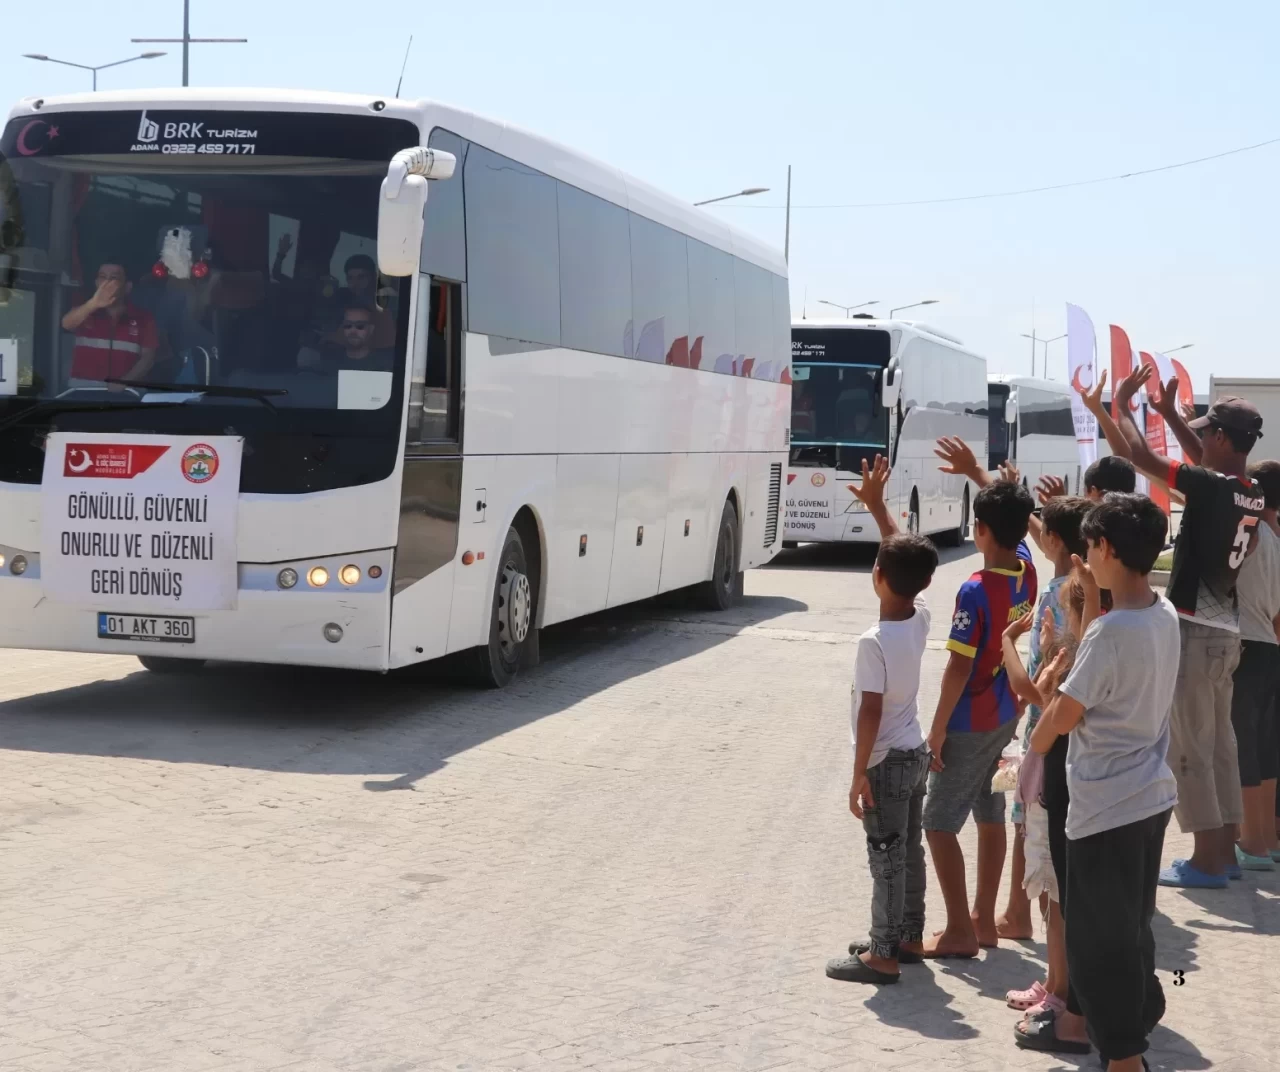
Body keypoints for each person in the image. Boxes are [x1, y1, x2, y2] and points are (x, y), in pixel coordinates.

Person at [1027, 493, 1179, 1072]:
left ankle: (1124, 1056)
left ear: (1108, 548)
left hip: (1104, 808)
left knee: (1097, 945)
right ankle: (1136, 1022)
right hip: (1149, 798)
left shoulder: (1110, 632)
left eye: (1090, 547)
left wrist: (1039, 736)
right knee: (1130, 928)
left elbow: (1064, 715)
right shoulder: (1163, 612)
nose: (1085, 558)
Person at [1104, 366, 1264, 887]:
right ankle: (1225, 853)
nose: (1202, 441)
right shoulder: (1250, 489)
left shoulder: (1210, 486)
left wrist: (1124, 407)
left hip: (1195, 632)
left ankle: (1207, 861)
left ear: (1221, 438)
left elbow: (1138, 457)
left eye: (1206, 432)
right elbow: (1202, 465)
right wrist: (1171, 414)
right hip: (1227, 633)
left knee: (1192, 749)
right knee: (1220, 745)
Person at [825, 455, 939, 985]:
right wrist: (878, 508)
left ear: (877, 577)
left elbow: (869, 710)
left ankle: (883, 954)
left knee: (885, 857)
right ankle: (909, 935)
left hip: (885, 762)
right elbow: (905, 556)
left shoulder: (873, 642)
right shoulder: (921, 617)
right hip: (915, 754)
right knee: (908, 850)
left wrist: (857, 774)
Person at [921, 438, 1037, 958]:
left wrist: (936, 730)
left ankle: (959, 931)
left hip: (969, 720)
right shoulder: (1026, 569)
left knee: (937, 822)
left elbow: (957, 667)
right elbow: (1016, 525)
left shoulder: (974, 589)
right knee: (990, 811)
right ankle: (983, 920)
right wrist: (986, 478)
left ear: (979, 529)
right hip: (1005, 714)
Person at [999, 494, 1092, 1004]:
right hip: (1077, 752)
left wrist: (1008, 644)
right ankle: (1058, 980)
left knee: (1051, 878)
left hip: (1048, 746)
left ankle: (1059, 987)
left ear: (1053, 540)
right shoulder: (1095, 594)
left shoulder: (1059, 594)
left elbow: (1034, 689)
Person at [1231, 458, 1280, 868]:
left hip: (1246, 644)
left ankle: (1251, 842)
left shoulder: (1250, 532)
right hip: (1269, 647)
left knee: (1242, 743)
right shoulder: (1276, 540)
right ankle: (1265, 840)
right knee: (1264, 746)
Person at [60, 262, 159, 387]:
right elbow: (66, 324)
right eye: (102, 277)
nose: (107, 283)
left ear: (127, 287)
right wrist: (93, 304)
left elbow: (148, 359)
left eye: (114, 278)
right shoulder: (84, 311)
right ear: (96, 283)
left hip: (126, 394)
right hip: (82, 393)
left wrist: (124, 382)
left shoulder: (144, 319)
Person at [302, 301, 395, 373]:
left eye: (360, 326)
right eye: (348, 325)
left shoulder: (385, 365)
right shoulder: (329, 363)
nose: (353, 331)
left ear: (371, 329)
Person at [337, 253, 395, 348]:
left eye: (361, 277)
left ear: (374, 277)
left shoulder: (387, 305)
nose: (355, 283)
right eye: (350, 278)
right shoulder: (347, 302)